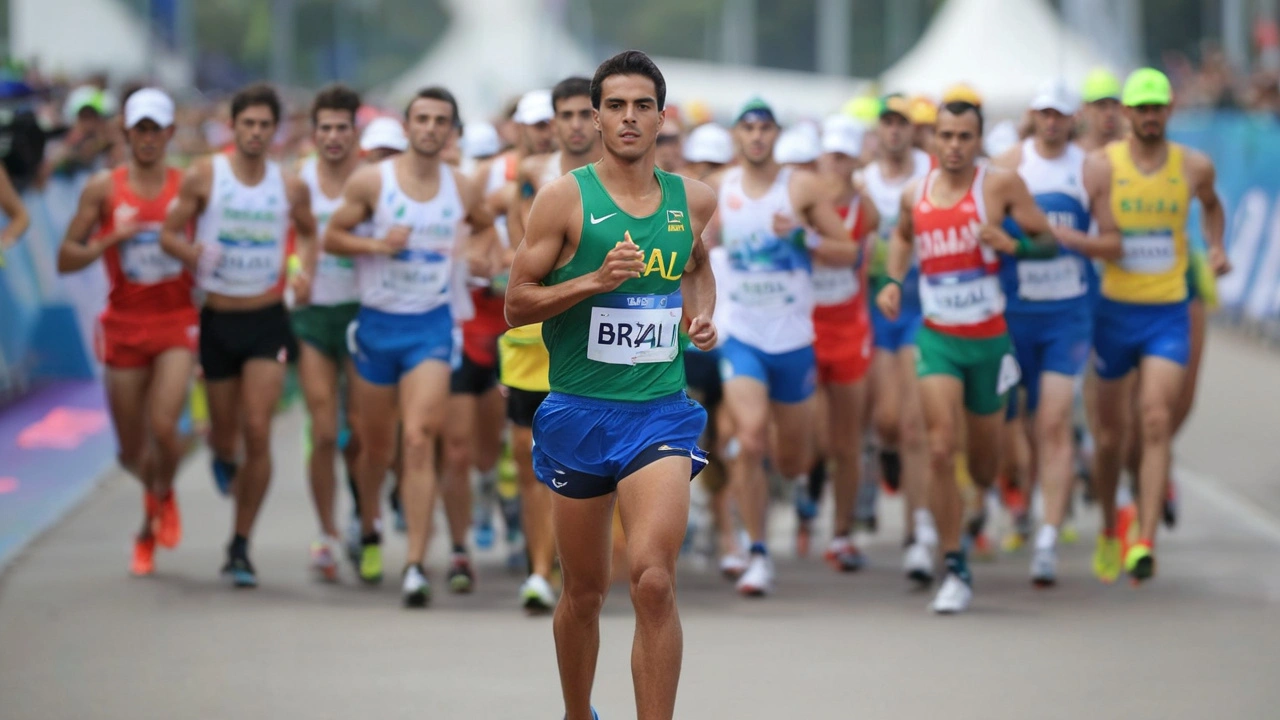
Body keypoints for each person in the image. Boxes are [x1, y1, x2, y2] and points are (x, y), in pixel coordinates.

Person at [505, 50, 717, 720]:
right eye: (616, 105)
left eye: (643, 105)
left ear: (662, 115)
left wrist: (700, 311)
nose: (630, 118)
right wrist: (595, 281)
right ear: (596, 115)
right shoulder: (564, 199)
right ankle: (577, 712)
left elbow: (696, 263)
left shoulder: (693, 200)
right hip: (577, 411)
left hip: (659, 412)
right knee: (586, 594)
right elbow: (517, 302)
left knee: (653, 579)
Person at [877, 100, 1058, 614]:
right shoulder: (917, 192)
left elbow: (1047, 240)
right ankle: (954, 564)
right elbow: (902, 236)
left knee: (983, 466)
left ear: (977, 141)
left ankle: (982, 498)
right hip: (938, 339)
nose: (954, 146)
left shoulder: (999, 186)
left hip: (990, 341)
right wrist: (893, 281)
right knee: (938, 447)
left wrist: (1013, 245)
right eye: (946, 136)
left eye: (964, 137)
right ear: (933, 139)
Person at [324, 86, 493, 607]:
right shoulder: (373, 180)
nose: (430, 128)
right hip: (378, 325)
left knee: (420, 438)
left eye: (441, 120)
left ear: (450, 130)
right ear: (408, 125)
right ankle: (369, 523)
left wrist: (480, 254)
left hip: (431, 327)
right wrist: (377, 244)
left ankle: (416, 563)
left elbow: (487, 228)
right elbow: (332, 237)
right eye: (422, 118)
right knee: (377, 448)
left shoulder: (461, 188)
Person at [160, 83, 315, 587]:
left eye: (263, 125)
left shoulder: (289, 185)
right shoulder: (206, 176)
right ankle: (223, 457)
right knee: (226, 436)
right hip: (219, 320)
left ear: (276, 130)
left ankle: (241, 543)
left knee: (257, 428)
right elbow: (168, 231)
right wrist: (189, 255)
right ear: (233, 127)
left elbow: (309, 231)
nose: (255, 132)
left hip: (267, 317)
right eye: (246, 124)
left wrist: (303, 271)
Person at [706, 98, 858, 596]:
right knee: (750, 439)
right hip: (742, 334)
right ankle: (757, 553)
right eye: (747, 127)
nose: (755, 136)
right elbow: (695, 254)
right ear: (736, 136)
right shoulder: (720, 190)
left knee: (793, 460)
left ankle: (790, 485)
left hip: (792, 338)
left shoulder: (801, 188)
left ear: (775, 135)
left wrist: (804, 238)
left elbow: (848, 252)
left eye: (764, 128)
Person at [1088, 69, 1228, 583]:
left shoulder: (1194, 166)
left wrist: (1215, 246)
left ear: (1170, 110)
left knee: (1155, 419)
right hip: (1113, 313)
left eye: (1157, 108)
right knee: (1107, 439)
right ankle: (1109, 526)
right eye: (1140, 108)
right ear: (1127, 114)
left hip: (1167, 311)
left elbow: (1213, 210)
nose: (1149, 116)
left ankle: (1143, 541)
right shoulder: (1101, 167)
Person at [56, 88, 193, 577]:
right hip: (124, 326)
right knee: (131, 452)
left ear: (171, 133)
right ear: (127, 132)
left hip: (176, 323)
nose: (149, 138)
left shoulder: (189, 185)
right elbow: (65, 257)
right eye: (141, 129)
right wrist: (113, 236)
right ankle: (155, 494)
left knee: (165, 428)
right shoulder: (103, 189)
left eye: (158, 129)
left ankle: (157, 509)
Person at [991, 80, 1122, 586]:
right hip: (1014, 313)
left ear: (1073, 120)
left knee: (1054, 422)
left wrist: (1074, 239)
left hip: (1068, 315)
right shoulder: (1006, 164)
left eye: (1060, 114)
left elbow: (1114, 243)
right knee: (1018, 427)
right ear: (1032, 116)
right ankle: (1024, 500)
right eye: (1043, 113)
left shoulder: (1091, 168)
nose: (1051, 121)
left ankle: (1046, 537)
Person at [498, 75, 602, 612]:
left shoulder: (620, 178)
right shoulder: (531, 176)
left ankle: (580, 565)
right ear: (554, 122)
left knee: (588, 459)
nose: (578, 125)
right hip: (536, 335)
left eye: (588, 114)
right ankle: (540, 569)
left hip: (594, 339)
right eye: (568, 115)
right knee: (530, 456)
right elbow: (522, 251)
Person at [291, 84, 365, 582]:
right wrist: (296, 270)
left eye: (342, 127)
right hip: (315, 313)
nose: (334, 136)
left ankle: (364, 518)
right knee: (322, 432)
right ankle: (327, 533)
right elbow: (296, 233)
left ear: (354, 131)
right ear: (313, 133)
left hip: (363, 312)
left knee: (360, 435)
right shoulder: (299, 182)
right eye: (326, 128)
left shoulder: (373, 180)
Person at [862, 94, 936, 583]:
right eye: (886, 122)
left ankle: (918, 534)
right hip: (872, 308)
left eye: (902, 123)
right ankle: (885, 452)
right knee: (886, 422)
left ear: (913, 129)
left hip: (919, 309)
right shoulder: (860, 180)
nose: (894, 130)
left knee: (914, 426)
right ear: (878, 129)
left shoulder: (931, 173)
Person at [807, 114, 879, 570]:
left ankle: (841, 534)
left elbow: (865, 268)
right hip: (805, 328)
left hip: (849, 330)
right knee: (814, 436)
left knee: (847, 440)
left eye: (843, 155)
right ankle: (805, 487)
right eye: (829, 154)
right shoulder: (804, 201)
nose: (835, 164)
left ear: (855, 160)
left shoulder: (866, 210)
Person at [1077, 69, 1125, 153]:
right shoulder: (1073, 153)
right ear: (1086, 108)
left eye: (1114, 104)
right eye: (1102, 105)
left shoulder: (1132, 152)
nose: (1110, 113)